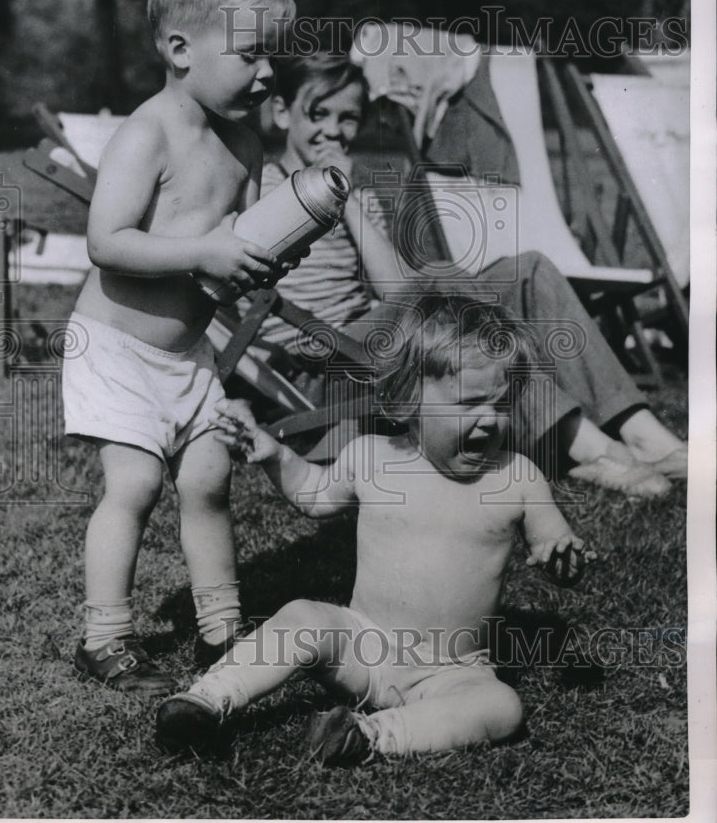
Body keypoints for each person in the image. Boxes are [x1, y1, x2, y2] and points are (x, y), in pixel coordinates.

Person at [155, 295, 597, 763]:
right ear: (408, 401)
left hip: (450, 670)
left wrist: (561, 559)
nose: (489, 419)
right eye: (470, 403)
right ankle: (205, 700)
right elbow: (315, 495)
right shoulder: (373, 456)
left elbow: (553, 546)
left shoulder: (518, 478)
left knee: (502, 706)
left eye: (503, 404)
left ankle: (367, 736)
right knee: (303, 617)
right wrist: (275, 455)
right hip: (364, 645)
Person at [253, 52, 687, 495]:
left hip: (370, 344)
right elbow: (397, 292)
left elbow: (389, 289)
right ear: (283, 112)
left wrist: (348, 200)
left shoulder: (357, 189)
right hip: (314, 364)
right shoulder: (261, 189)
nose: (333, 130)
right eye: (318, 113)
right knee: (441, 276)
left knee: (529, 269)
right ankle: (589, 447)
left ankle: (645, 435)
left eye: (348, 118)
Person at [62, 0, 296, 694]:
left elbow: (248, 238)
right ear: (179, 49)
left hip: (190, 353)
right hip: (117, 348)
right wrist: (205, 249)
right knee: (132, 486)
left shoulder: (246, 141)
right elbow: (107, 242)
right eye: (252, 57)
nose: (269, 75)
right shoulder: (148, 132)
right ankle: (103, 638)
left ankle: (220, 628)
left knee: (208, 478)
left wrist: (267, 253)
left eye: (274, 59)